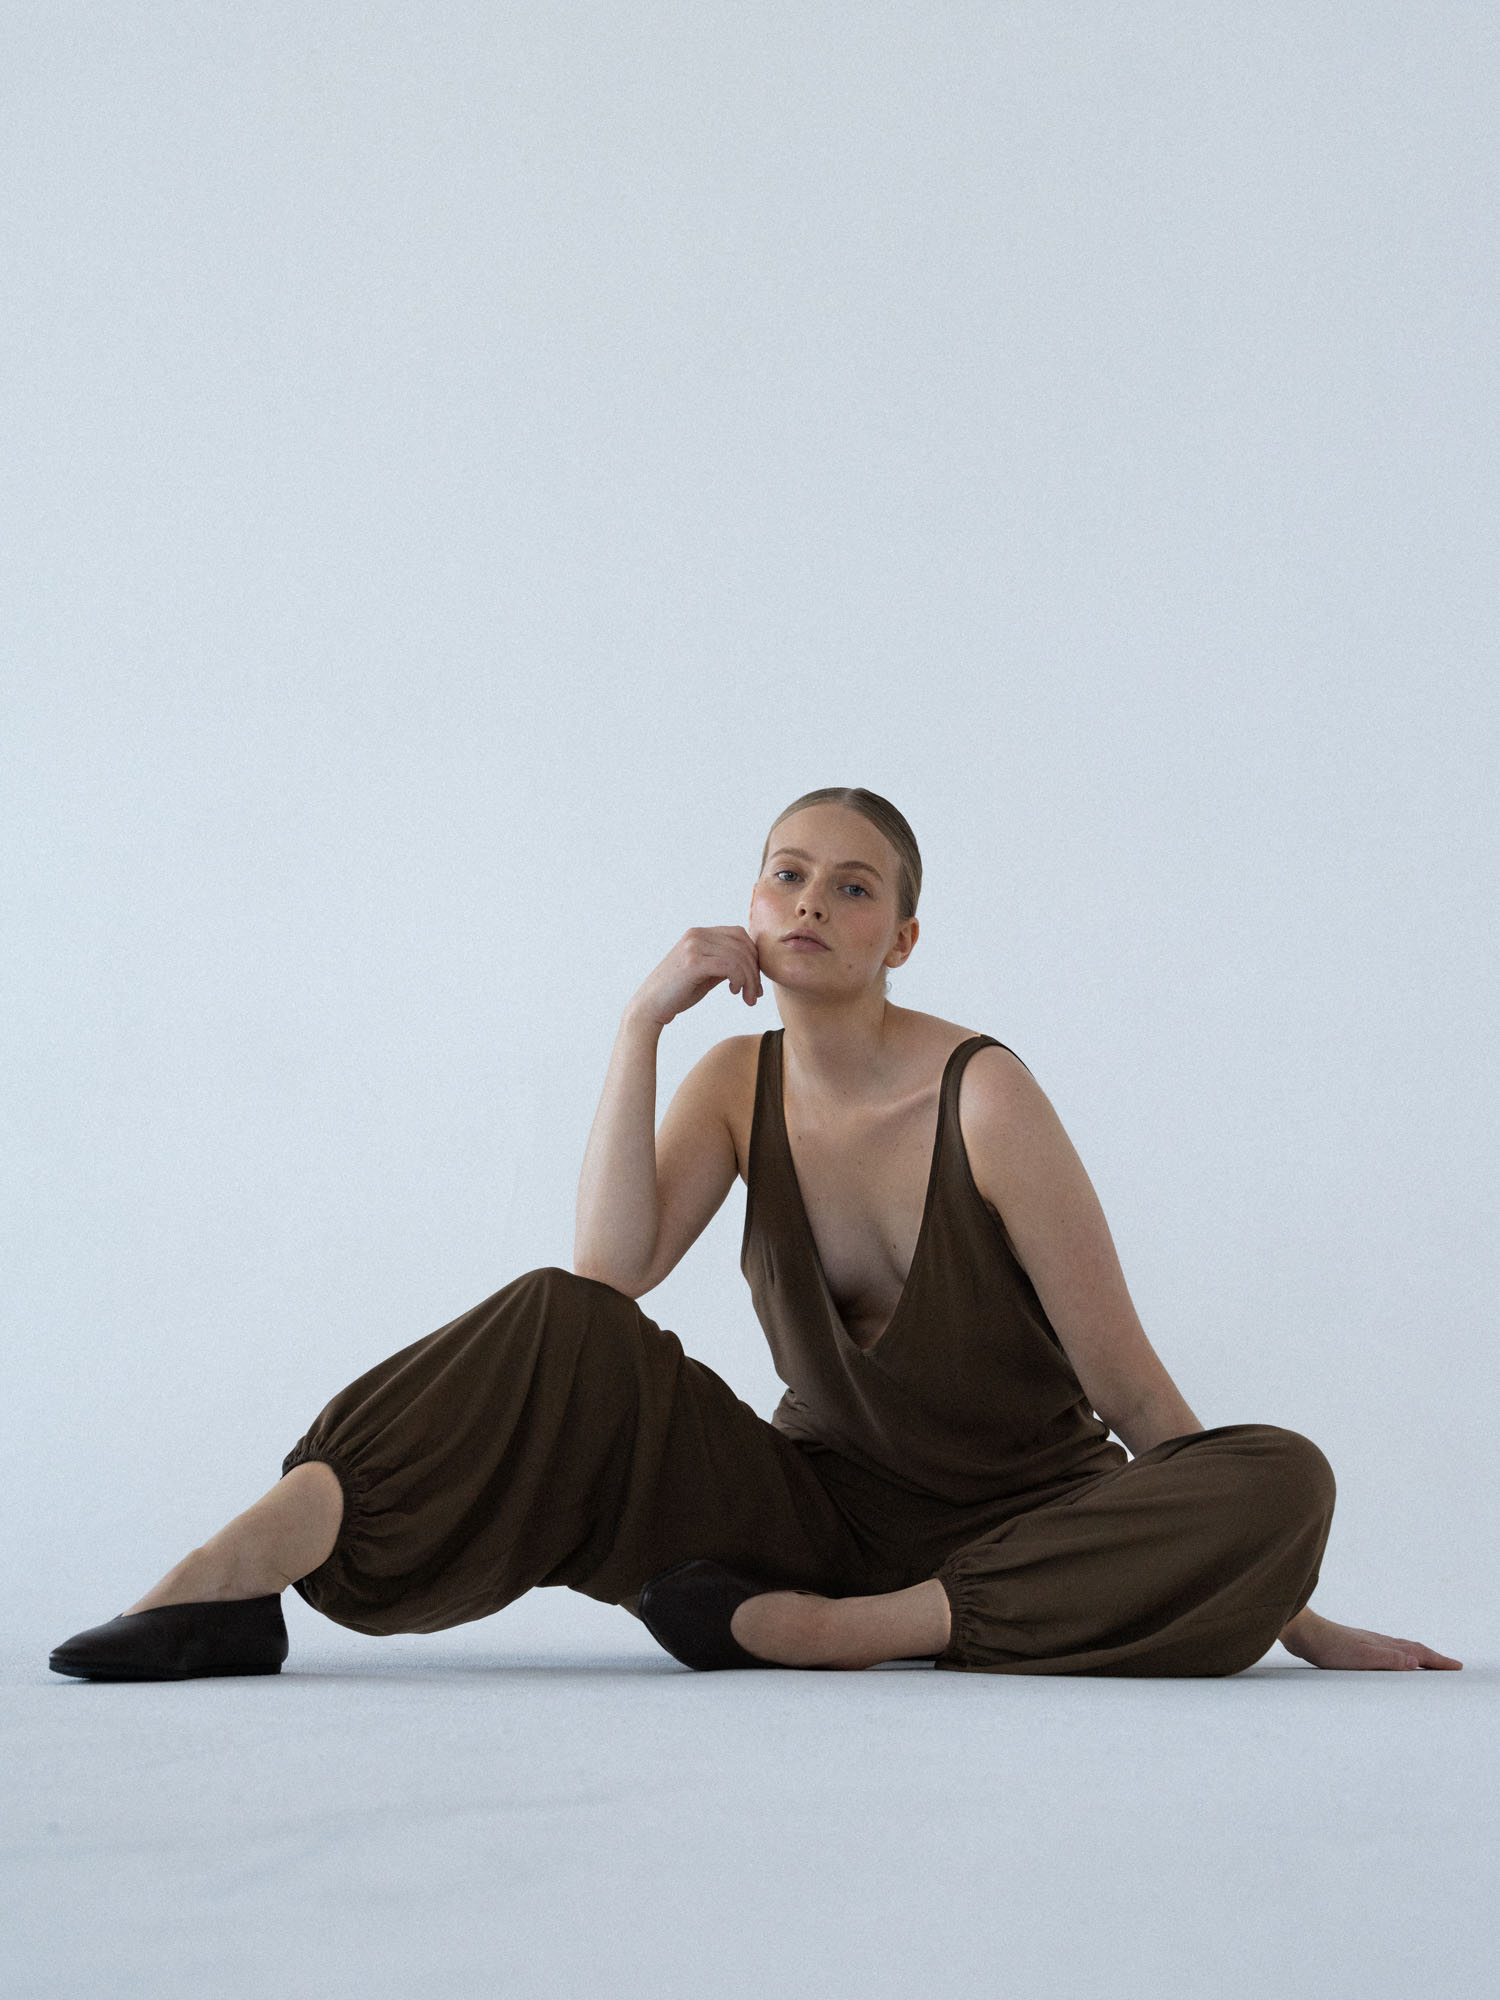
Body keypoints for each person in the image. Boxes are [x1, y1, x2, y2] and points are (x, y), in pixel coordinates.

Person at [50, 787, 1461, 1682]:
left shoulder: (985, 1095)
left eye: (853, 886)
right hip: (805, 1519)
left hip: (1030, 1529)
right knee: (555, 1315)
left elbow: (1133, 1395)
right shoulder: (736, 1082)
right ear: (749, 905)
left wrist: (1290, 1606)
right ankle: (239, 1577)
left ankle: (859, 1633)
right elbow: (610, 1274)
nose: (810, 904)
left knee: (1283, 1475)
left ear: (902, 937)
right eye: (786, 874)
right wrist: (638, 1026)